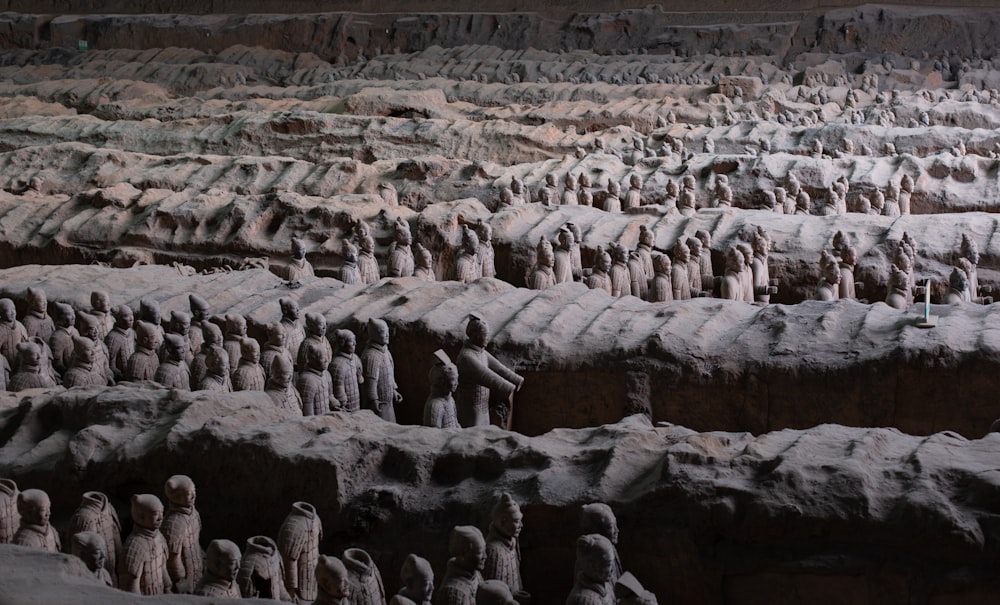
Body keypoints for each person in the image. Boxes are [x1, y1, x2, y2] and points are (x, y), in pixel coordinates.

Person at [456, 315, 523, 428]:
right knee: (471, 437)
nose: (487, 338)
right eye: (485, 335)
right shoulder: (466, 357)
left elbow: (499, 368)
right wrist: (509, 388)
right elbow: (488, 376)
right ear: (475, 336)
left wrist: (517, 380)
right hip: (470, 408)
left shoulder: (480, 352)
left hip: (483, 406)